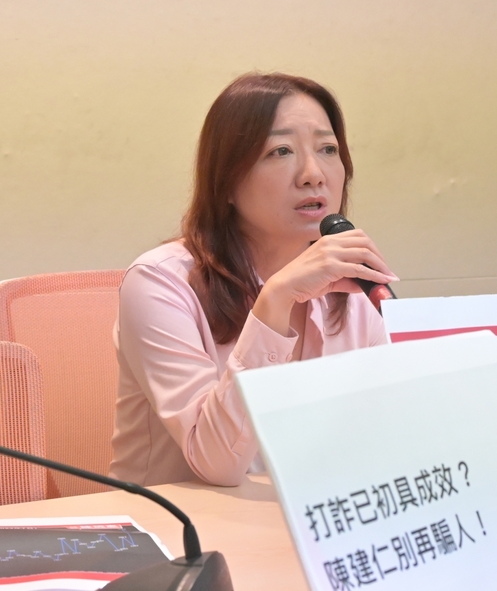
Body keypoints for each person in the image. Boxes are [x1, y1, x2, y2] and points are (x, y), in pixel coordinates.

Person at [109, 73, 397, 486]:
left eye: (328, 149)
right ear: (227, 181)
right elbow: (217, 464)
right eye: (281, 151)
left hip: (298, 517)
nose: (313, 174)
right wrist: (276, 300)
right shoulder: (159, 284)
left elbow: (386, 436)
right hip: (178, 522)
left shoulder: (351, 289)